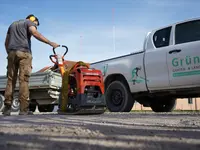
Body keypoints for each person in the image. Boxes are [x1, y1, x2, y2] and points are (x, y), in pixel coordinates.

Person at [2, 14, 59, 116]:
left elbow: (6, 42)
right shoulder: (29, 22)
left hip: (11, 53)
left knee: (10, 81)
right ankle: (23, 110)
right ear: (33, 19)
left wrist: (10, 54)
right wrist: (50, 43)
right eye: (36, 23)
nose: (35, 25)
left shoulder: (12, 24)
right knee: (24, 80)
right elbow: (35, 33)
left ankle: (7, 109)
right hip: (24, 53)